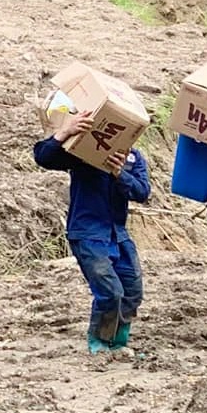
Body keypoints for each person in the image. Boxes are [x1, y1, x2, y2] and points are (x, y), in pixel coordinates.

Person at [34, 111, 151, 353]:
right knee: (110, 291)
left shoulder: (133, 158)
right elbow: (44, 157)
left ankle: (117, 342)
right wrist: (66, 131)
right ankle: (99, 342)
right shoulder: (83, 152)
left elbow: (142, 192)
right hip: (87, 232)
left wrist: (120, 174)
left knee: (132, 290)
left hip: (117, 233)